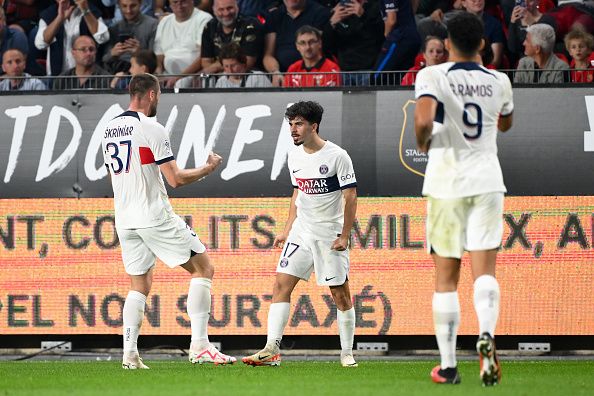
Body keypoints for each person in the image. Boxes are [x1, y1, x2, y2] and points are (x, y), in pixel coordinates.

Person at [101, 73, 236, 369]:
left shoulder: (110, 128)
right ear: (151, 94)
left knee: (139, 285)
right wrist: (208, 168)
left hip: (125, 217)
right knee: (204, 267)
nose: (158, 100)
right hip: (153, 214)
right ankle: (200, 347)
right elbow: (175, 179)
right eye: (158, 95)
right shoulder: (151, 126)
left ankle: (130, 355)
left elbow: (114, 176)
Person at [413, 12, 513, 386]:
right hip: (488, 180)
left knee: (446, 279)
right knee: (484, 272)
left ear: (449, 44)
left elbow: (423, 122)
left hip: (446, 184)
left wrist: (424, 142)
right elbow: (505, 122)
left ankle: (450, 365)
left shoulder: (433, 75)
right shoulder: (500, 80)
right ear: (483, 45)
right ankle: (486, 335)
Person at [242, 101, 358, 368]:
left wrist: (345, 235)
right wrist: (286, 230)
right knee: (281, 285)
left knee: (340, 295)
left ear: (313, 126)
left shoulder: (338, 156)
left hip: (329, 234)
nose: (293, 130)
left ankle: (347, 353)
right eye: (291, 124)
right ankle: (271, 349)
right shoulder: (294, 156)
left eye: (299, 124)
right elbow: (298, 193)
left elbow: (350, 197)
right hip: (301, 232)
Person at [262, 0, 330, 86]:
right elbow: (268, 55)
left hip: (314, 75)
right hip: (283, 76)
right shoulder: (274, 16)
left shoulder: (319, 12)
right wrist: (275, 72)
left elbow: (314, 50)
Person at [35, 0, 110, 77]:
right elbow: (40, 44)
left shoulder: (91, 10)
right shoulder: (49, 13)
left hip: (87, 77)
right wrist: (59, 19)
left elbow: (103, 38)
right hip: (57, 77)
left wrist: (85, 10)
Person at [324, 0, 385, 86]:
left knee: (367, 99)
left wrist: (363, 15)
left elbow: (379, 37)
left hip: (367, 70)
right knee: (344, 100)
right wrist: (332, 23)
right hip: (344, 71)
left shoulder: (374, 8)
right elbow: (326, 44)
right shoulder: (338, 10)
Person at [153, 0, 212, 88]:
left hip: (194, 74)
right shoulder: (164, 21)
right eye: (175, 2)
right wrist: (158, 72)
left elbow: (203, 55)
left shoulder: (204, 18)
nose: (180, 6)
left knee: (181, 84)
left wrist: (178, 77)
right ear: (170, 4)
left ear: (192, 1)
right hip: (168, 75)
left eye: (183, 1)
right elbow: (159, 56)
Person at [200, 0, 264, 74]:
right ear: (214, 10)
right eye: (221, 9)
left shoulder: (251, 25)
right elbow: (205, 62)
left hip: (248, 75)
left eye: (230, 8)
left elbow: (248, 62)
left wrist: (215, 68)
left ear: (237, 7)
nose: (226, 13)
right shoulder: (209, 27)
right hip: (217, 76)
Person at [102, 0, 159, 74]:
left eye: (133, 6)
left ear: (140, 4)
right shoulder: (114, 28)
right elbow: (104, 60)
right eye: (124, 6)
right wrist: (113, 53)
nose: (128, 11)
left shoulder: (153, 25)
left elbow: (155, 60)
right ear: (119, 6)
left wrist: (139, 53)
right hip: (117, 72)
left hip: (142, 73)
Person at [373, 0, 421, 85]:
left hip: (399, 38)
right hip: (413, 36)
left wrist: (386, 35)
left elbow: (392, 20)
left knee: (377, 77)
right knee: (400, 78)